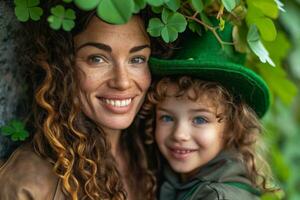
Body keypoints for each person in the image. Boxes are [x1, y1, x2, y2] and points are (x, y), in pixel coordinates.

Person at [0, 1, 156, 200]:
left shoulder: (152, 152)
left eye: (137, 59)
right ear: (63, 69)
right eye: (97, 59)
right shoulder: (27, 184)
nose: (123, 82)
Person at [141, 24, 276, 199]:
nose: (180, 134)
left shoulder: (215, 196)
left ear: (232, 127)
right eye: (166, 117)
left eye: (200, 120)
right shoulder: (182, 181)